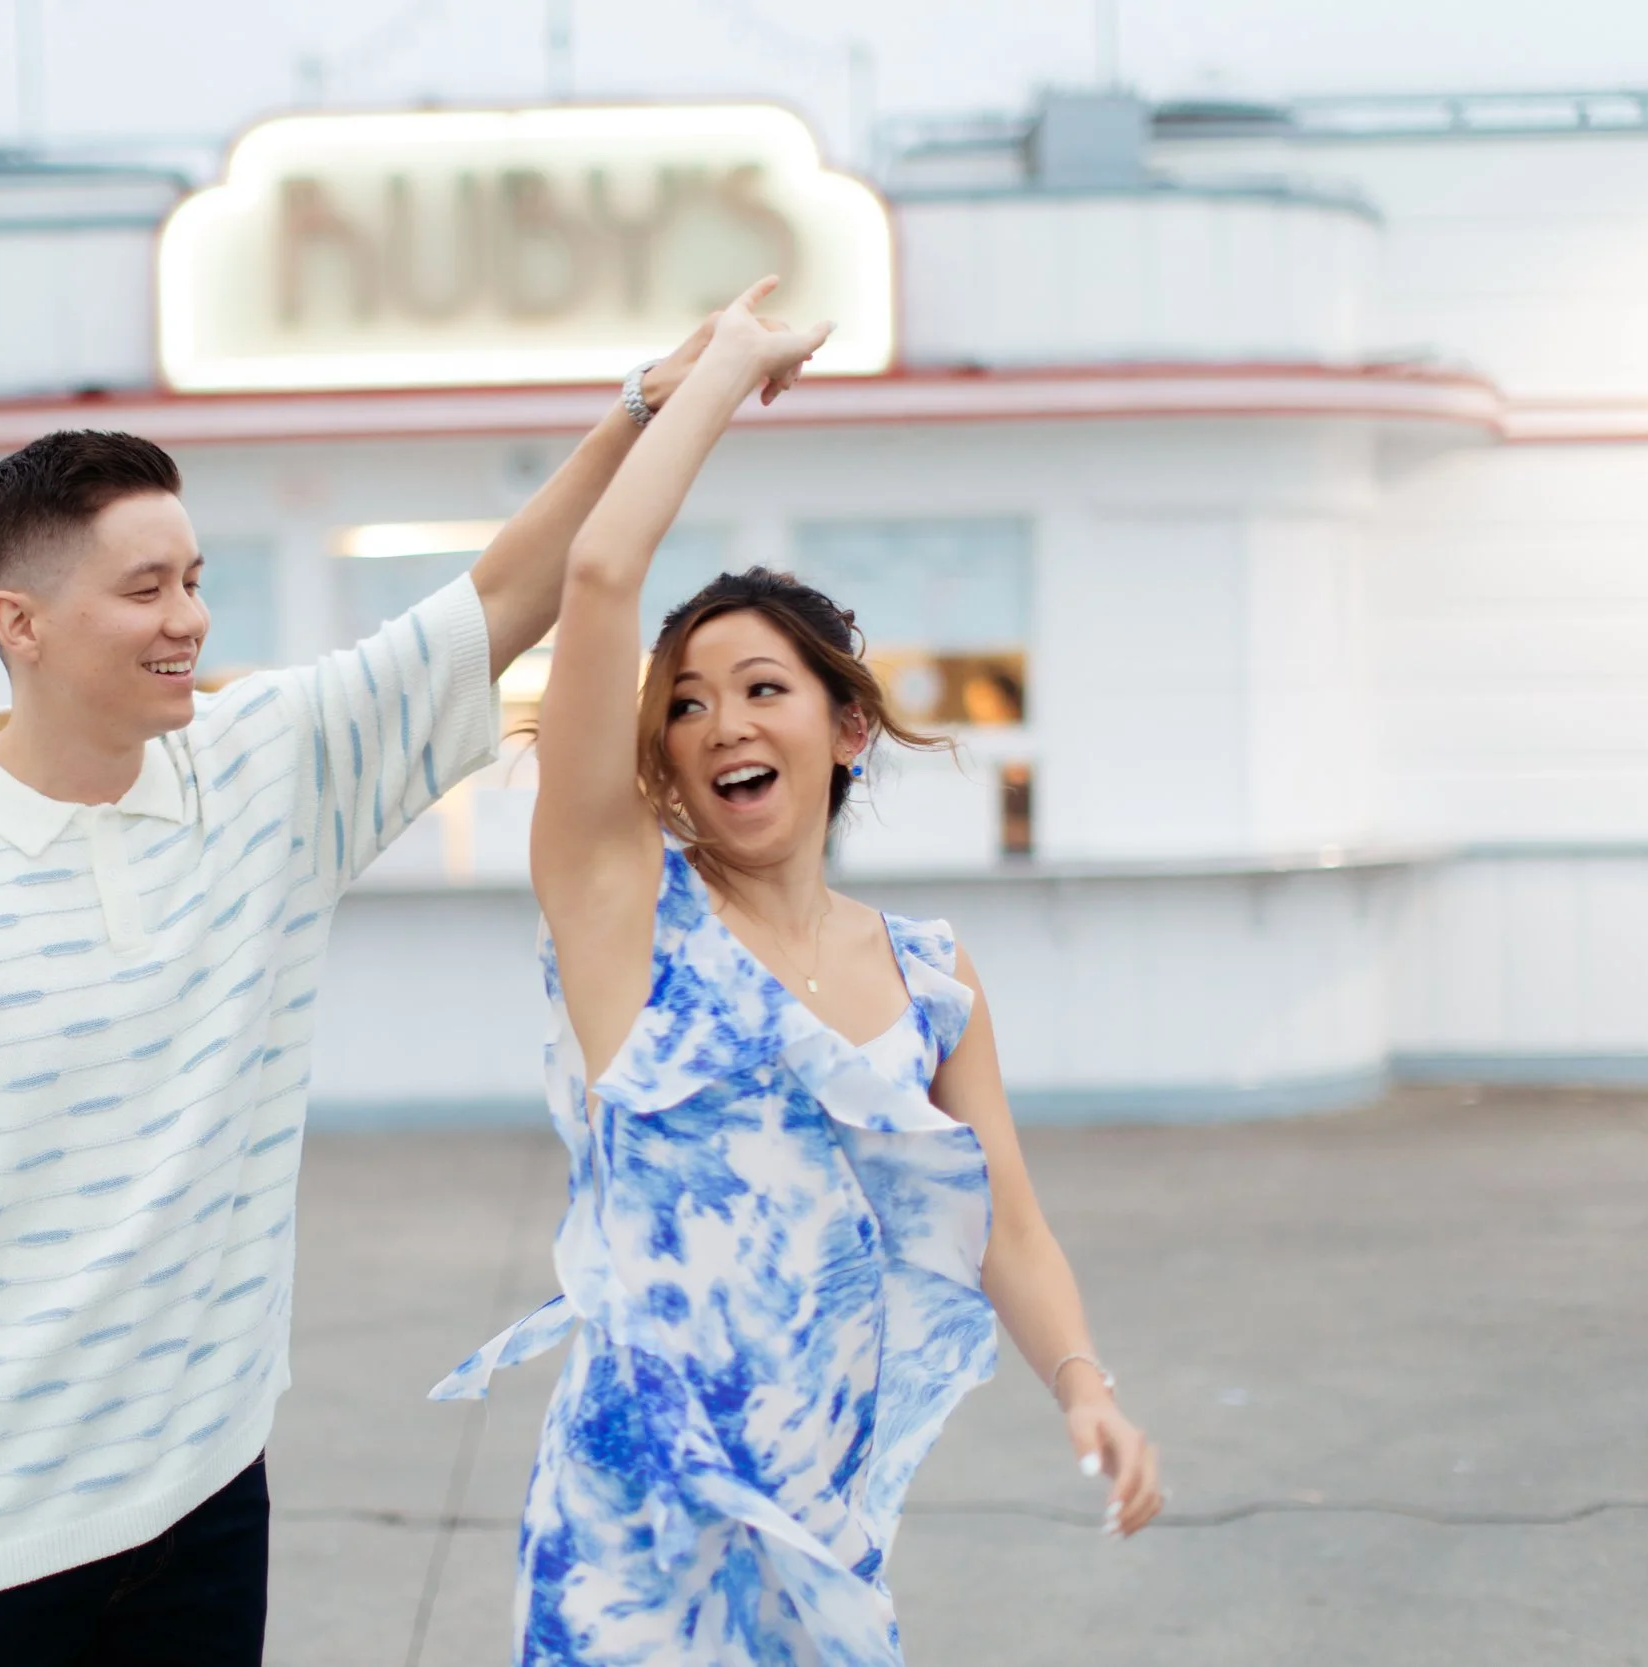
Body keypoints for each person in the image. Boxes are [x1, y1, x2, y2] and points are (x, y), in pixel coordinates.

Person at [0, 315, 727, 1667]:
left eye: (196, 580)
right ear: (18, 622)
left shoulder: (268, 769)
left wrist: (644, 401)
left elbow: (504, 597)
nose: (191, 620)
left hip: (202, 1498)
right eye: (147, 588)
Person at [430, 279, 1164, 1663]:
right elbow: (596, 575)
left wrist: (1084, 1386)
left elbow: (1006, 1225)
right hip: (630, 1524)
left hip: (818, 1502)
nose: (721, 722)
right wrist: (722, 372)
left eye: (762, 687)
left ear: (845, 728)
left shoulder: (933, 977)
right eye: (688, 703)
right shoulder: (624, 914)